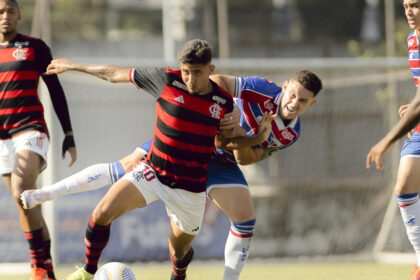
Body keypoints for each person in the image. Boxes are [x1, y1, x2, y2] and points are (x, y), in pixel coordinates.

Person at [21, 67, 322, 279]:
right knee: (123, 167)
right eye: (293, 94)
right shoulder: (263, 90)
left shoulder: (291, 135)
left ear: (312, 104)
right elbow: (218, 81)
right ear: (284, 87)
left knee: (245, 218)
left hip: (221, 159)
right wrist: (227, 113)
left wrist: (250, 135)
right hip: (193, 137)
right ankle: (44, 194)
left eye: (303, 101)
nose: (294, 103)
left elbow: (247, 157)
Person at [0, 1, 77, 279]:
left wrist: (68, 134)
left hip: (30, 129)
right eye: (0, 12)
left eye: (9, 10)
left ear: (19, 14)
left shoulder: (35, 47)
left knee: (23, 191)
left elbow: (54, 89)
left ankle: (36, 267)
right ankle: (49, 271)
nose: (5, 16)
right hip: (2, 138)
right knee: (27, 206)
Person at [367, 1, 420, 279]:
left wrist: (388, 139)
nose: (410, 11)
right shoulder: (412, 40)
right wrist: (411, 110)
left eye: (416, 5)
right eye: (406, 6)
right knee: (404, 186)